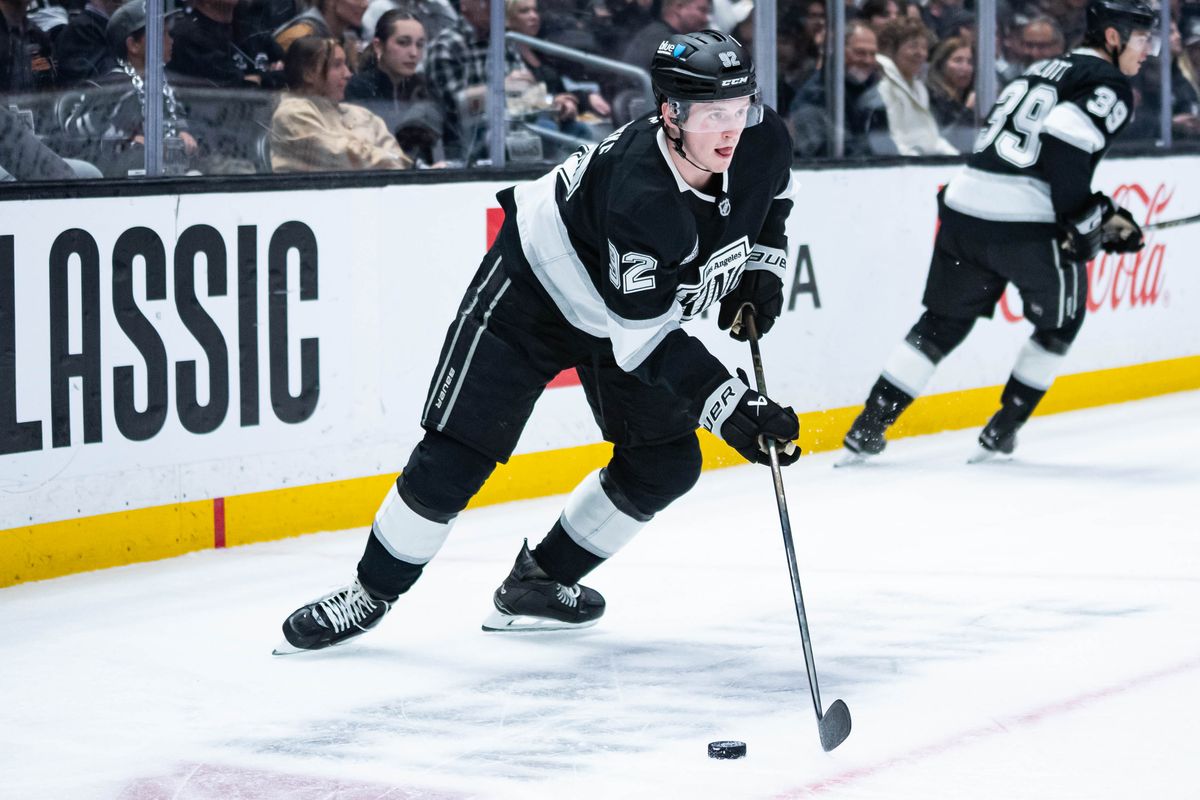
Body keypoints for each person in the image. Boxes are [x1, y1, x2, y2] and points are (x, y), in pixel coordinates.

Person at [275, 29, 800, 653]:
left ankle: (537, 583)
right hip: (534, 290)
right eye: (715, 115)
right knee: (457, 454)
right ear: (671, 114)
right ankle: (370, 593)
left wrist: (762, 268)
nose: (733, 130)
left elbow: (772, 198)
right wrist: (733, 409)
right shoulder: (642, 193)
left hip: (620, 309)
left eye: (741, 109)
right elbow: (644, 342)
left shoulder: (760, 139)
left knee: (665, 462)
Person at [841, 0, 1156, 462]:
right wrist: (1088, 219)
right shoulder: (1108, 82)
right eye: (1143, 37)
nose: (1149, 50)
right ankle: (1002, 430)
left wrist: (1097, 214)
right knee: (1061, 322)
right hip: (1023, 222)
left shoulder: (1046, 68)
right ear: (1113, 37)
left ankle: (868, 425)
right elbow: (1065, 140)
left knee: (942, 322)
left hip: (965, 208)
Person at [270, 35, 412, 171]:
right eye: (337, 65)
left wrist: (391, 160)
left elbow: (399, 159)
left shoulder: (360, 114)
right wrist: (389, 159)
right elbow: (345, 158)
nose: (348, 74)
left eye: (346, 65)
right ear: (309, 74)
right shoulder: (291, 115)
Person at [343, 8, 444, 164]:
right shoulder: (358, 89)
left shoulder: (426, 87)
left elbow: (451, 141)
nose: (413, 53)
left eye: (420, 44)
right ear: (378, 46)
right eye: (403, 43)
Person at [788, 20, 895, 158]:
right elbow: (822, 150)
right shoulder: (815, 95)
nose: (868, 60)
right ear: (838, 51)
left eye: (872, 54)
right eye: (860, 52)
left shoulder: (870, 89)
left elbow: (884, 143)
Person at [875, 16, 958, 155]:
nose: (921, 53)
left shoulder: (919, 88)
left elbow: (931, 139)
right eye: (913, 46)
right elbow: (894, 140)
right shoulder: (884, 87)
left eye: (924, 48)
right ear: (890, 49)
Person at [926, 35, 975, 152]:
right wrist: (968, 111)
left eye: (970, 62)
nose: (965, 67)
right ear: (941, 64)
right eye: (958, 60)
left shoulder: (964, 96)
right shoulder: (932, 97)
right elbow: (943, 141)